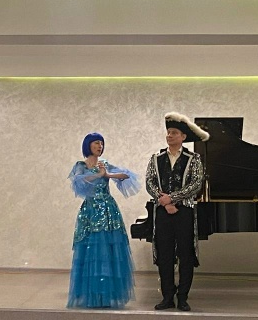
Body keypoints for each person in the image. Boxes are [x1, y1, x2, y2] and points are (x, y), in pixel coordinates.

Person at [67, 132, 141, 309]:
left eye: (101, 143)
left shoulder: (105, 164)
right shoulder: (81, 165)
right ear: (88, 145)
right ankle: (91, 295)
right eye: (96, 143)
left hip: (108, 211)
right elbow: (78, 181)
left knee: (108, 250)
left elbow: (126, 175)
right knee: (90, 250)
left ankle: (107, 295)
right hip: (90, 212)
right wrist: (98, 175)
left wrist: (107, 175)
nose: (99, 146)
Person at [145, 112, 210, 311]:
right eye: (168, 132)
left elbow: (196, 184)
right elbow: (149, 182)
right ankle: (167, 297)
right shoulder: (156, 158)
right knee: (164, 255)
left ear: (183, 137)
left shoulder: (194, 159)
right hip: (163, 212)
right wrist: (164, 201)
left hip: (184, 212)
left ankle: (182, 297)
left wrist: (172, 198)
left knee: (185, 254)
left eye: (174, 133)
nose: (169, 135)